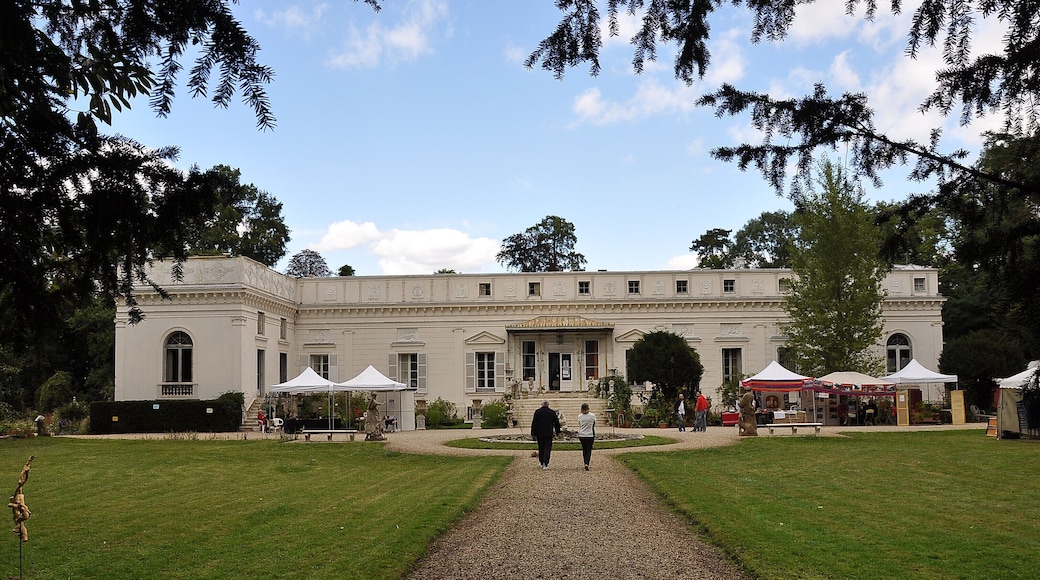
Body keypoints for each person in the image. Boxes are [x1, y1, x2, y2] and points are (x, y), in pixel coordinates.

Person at [530, 400, 561, 470]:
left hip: (539, 433)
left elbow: (534, 423)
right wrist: (557, 432)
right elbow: (556, 423)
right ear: (548, 405)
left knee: (541, 448)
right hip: (548, 433)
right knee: (547, 449)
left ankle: (541, 462)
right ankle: (545, 463)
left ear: (542, 404)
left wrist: (533, 433)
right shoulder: (552, 412)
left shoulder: (537, 412)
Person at [577, 403, 596, 471]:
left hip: (582, 435)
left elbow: (580, 424)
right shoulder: (592, 415)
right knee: (589, 450)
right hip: (590, 435)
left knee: (584, 449)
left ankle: (585, 461)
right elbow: (593, 424)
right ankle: (587, 463)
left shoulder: (579, 416)